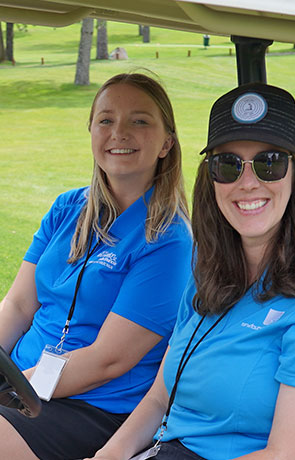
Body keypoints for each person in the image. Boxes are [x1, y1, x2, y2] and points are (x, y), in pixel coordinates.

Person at [87, 82, 295, 460]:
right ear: (211, 180)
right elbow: (159, 397)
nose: (247, 182)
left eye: (269, 163)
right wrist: (109, 454)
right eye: (228, 165)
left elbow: (286, 455)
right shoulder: (209, 275)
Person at [0, 72, 192, 460]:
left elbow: (110, 358)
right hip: (21, 383)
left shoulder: (168, 240)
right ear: (91, 131)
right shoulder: (67, 208)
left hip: (94, 405)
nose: (119, 133)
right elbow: (19, 305)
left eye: (139, 121)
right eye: (106, 120)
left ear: (166, 143)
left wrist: (17, 386)